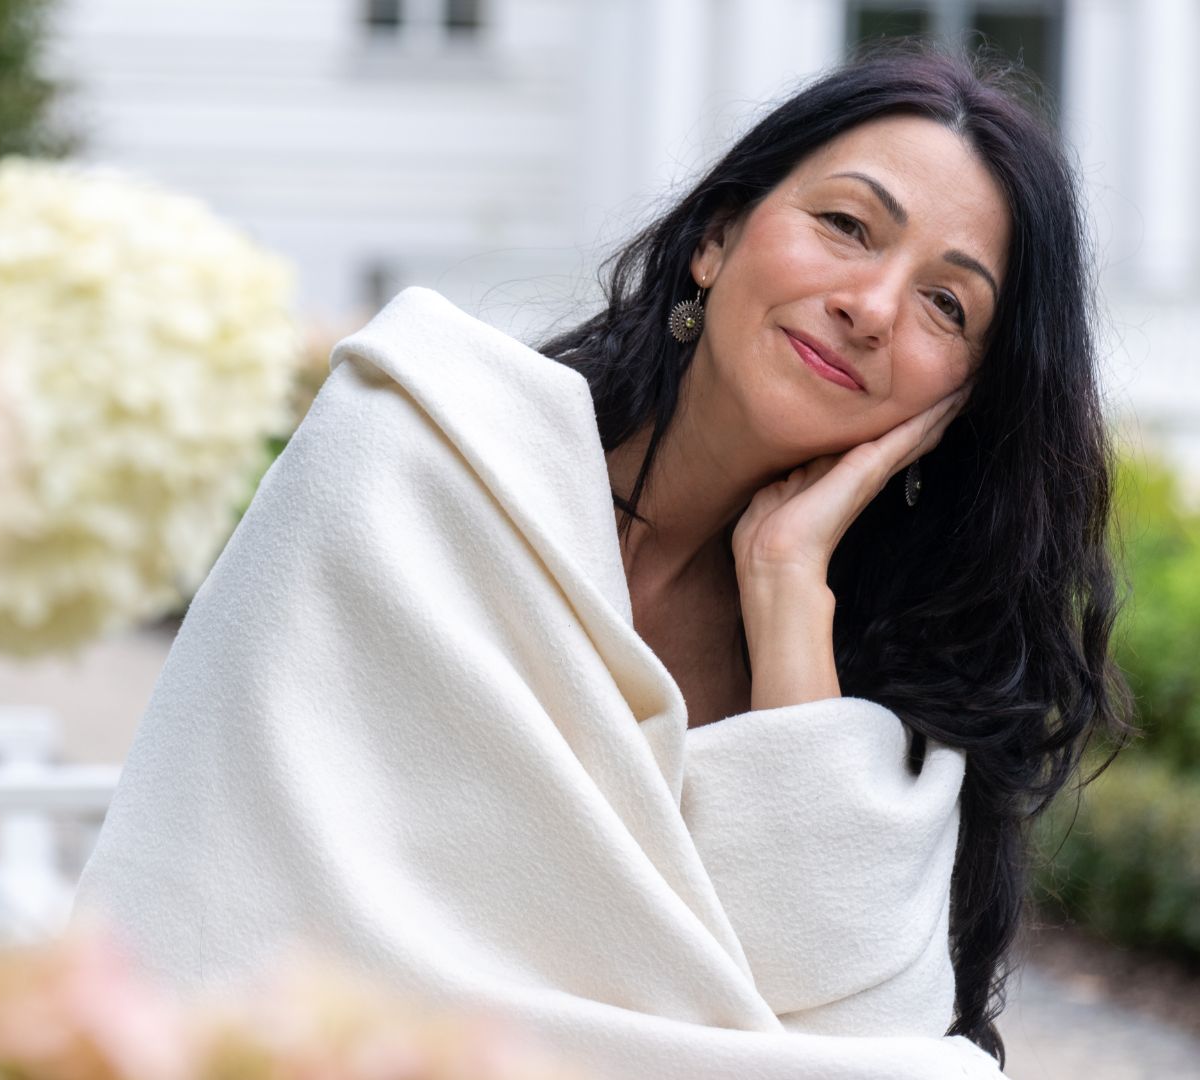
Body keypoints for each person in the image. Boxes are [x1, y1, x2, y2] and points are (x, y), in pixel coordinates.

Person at [73, 46, 1132, 1079]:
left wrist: (787, 600)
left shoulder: (892, 678)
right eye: (846, 226)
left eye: (948, 305)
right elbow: (215, 886)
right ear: (717, 237)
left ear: (961, 402)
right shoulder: (422, 452)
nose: (872, 307)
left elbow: (860, 1046)